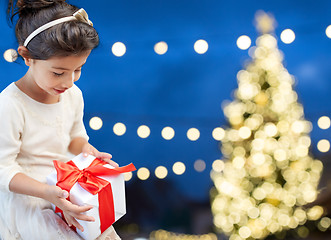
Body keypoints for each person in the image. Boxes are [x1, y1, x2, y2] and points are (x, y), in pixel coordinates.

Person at [0, 0, 121, 239]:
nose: (69, 82)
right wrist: (48, 192)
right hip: (31, 201)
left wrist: (89, 153)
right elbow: (3, 169)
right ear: (26, 56)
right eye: (58, 73)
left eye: (78, 69)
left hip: (68, 193)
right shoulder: (10, 105)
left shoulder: (73, 95)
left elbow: (73, 140)